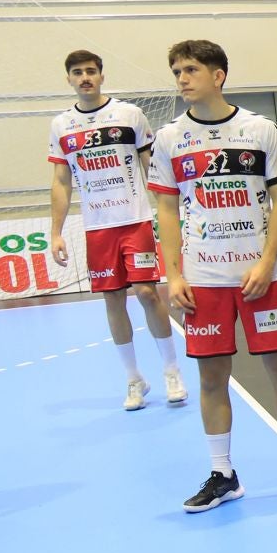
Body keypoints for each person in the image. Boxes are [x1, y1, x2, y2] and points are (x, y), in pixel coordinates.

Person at [147, 39, 277, 511]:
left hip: (262, 278)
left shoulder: (260, 130)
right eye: (176, 71)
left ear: (218, 76)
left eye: (191, 69)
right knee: (212, 378)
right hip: (203, 281)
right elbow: (167, 210)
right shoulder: (170, 138)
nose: (181, 78)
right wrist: (173, 275)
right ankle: (223, 474)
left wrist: (266, 261)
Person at [46, 49, 185, 410]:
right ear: (69, 79)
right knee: (112, 298)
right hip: (97, 228)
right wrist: (56, 231)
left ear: (102, 76)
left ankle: (172, 370)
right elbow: (61, 180)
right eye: (77, 72)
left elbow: (152, 166)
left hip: (134, 220)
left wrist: (171, 209)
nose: (85, 77)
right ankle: (134, 378)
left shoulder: (129, 115)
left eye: (91, 71)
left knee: (146, 292)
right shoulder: (61, 125)